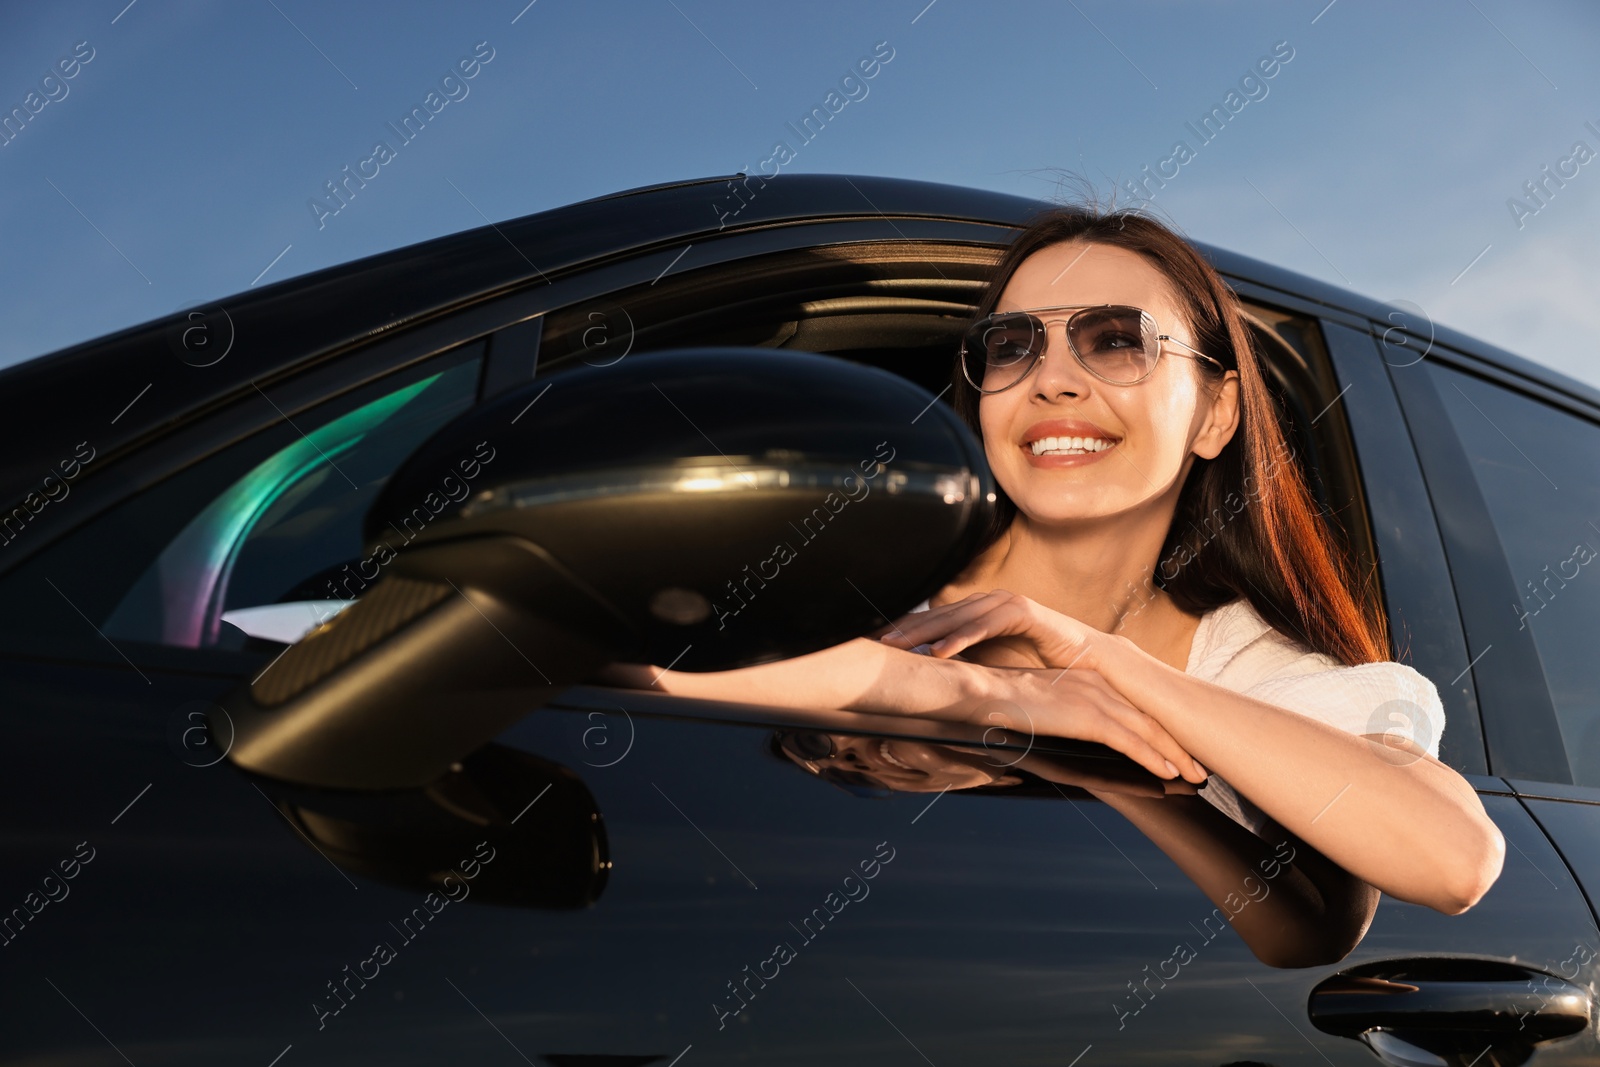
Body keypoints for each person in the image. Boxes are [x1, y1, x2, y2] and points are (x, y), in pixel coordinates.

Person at [602, 204, 1505, 916]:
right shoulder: (853, 555)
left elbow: (1451, 860)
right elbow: (600, 639)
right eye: (1014, 344)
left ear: (1216, 414)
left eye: (1116, 339)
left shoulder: (1245, 668)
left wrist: (1105, 663)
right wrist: (990, 694)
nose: (1053, 378)